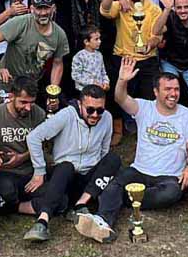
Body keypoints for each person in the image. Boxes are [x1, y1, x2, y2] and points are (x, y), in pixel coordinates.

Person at [77, 59, 188, 243]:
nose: (173, 94)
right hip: (139, 170)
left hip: (169, 177)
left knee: (172, 193)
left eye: (176, 89)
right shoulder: (144, 107)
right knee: (113, 184)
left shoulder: (186, 115)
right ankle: (103, 222)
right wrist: (122, 80)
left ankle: (127, 198)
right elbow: (120, 98)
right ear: (156, 92)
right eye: (167, 89)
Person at [22, 84, 119, 242]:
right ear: (80, 105)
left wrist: (100, 171)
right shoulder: (67, 115)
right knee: (66, 167)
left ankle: (81, 205)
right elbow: (34, 138)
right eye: (90, 110)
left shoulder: (107, 118)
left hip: (88, 179)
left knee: (113, 159)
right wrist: (39, 171)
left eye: (100, 110)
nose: (95, 115)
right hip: (64, 177)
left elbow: (104, 150)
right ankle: (42, 222)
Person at [0, 77, 47, 219]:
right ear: (11, 97)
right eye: (23, 102)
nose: (28, 108)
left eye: (32, 102)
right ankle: (23, 205)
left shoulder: (39, 114)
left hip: (29, 171)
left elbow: (44, 146)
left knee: (57, 196)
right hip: (4, 171)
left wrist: (23, 157)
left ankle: (13, 206)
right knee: (7, 190)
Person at [100, 0, 164, 118]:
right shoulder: (120, 4)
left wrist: (152, 43)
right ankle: (121, 127)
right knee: (120, 99)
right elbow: (105, 10)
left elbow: (158, 34)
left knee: (149, 99)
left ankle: (146, 125)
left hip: (147, 60)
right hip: (123, 59)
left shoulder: (154, 9)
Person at [0, 0, 69, 85]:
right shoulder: (20, 22)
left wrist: (53, 89)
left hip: (33, 84)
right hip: (8, 80)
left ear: (54, 8)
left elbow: (58, 63)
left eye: (46, 8)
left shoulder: (59, 34)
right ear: (32, 9)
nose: (43, 13)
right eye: (39, 8)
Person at [71, 27, 109, 93]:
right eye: (96, 39)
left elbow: (103, 72)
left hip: (98, 90)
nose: (99, 41)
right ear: (86, 42)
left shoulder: (99, 55)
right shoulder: (79, 56)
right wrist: (92, 82)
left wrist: (106, 82)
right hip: (84, 91)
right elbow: (75, 75)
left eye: (99, 38)